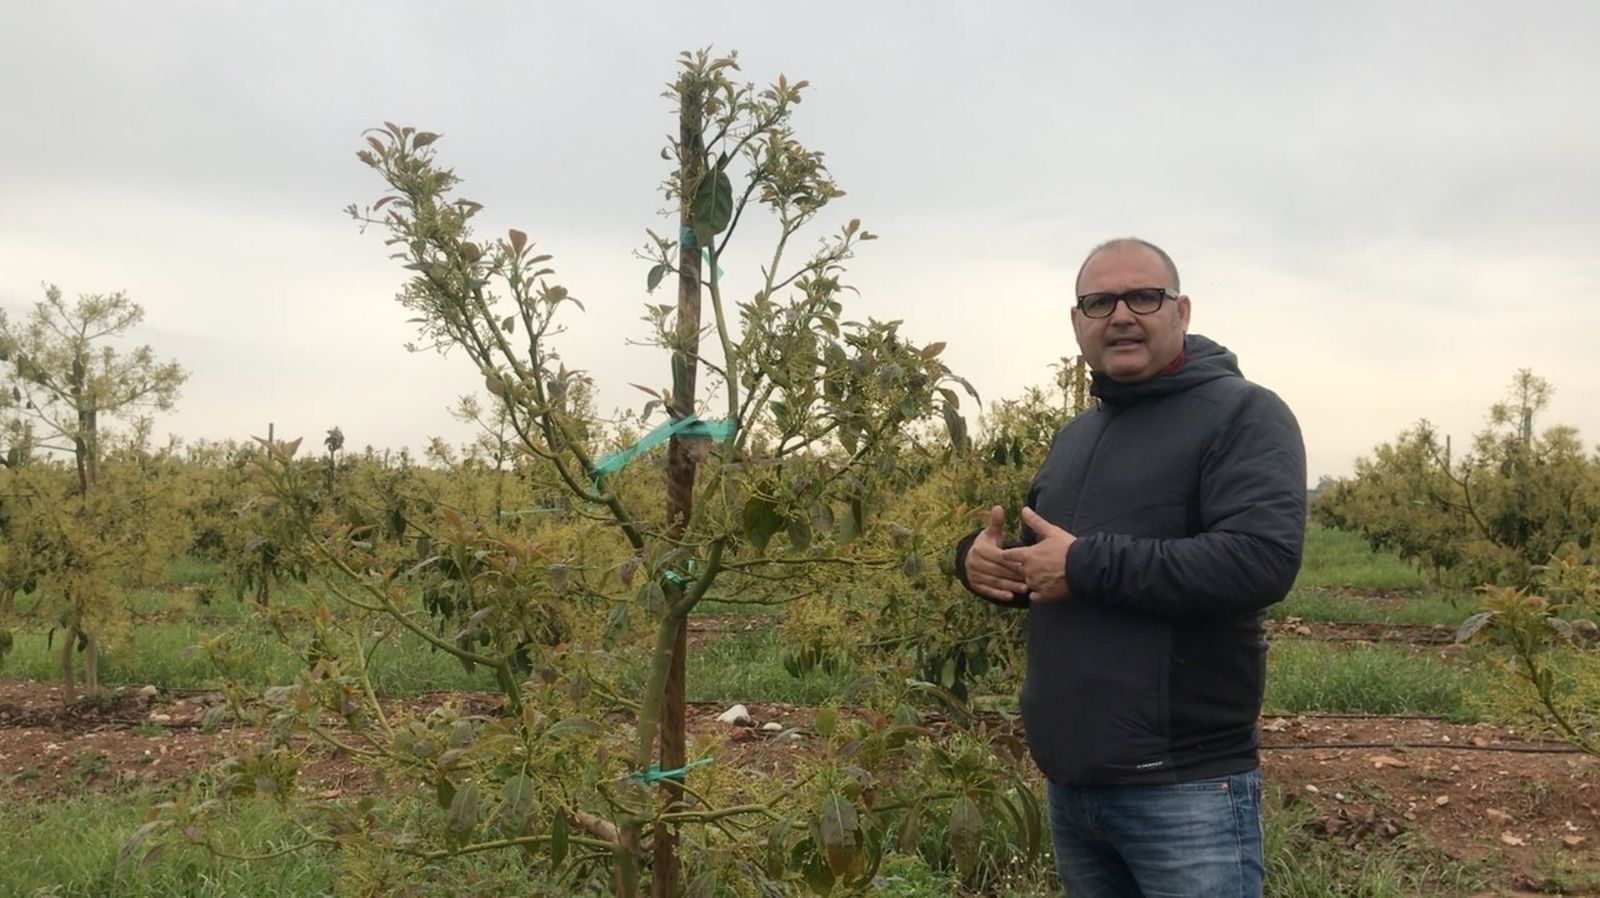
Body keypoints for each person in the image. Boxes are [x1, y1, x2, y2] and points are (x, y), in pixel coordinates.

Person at [954, 237, 1306, 897]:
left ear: (1182, 310)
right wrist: (979, 563)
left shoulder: (1244, 414)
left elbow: (1261, 560)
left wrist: (1084, 564)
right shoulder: (1077, 436)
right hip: (1075, 785)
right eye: (1099, 301)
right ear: (1077, 322)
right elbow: (1048, 565)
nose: (1120, 314)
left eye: (1143, 296)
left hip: (1184, 784)